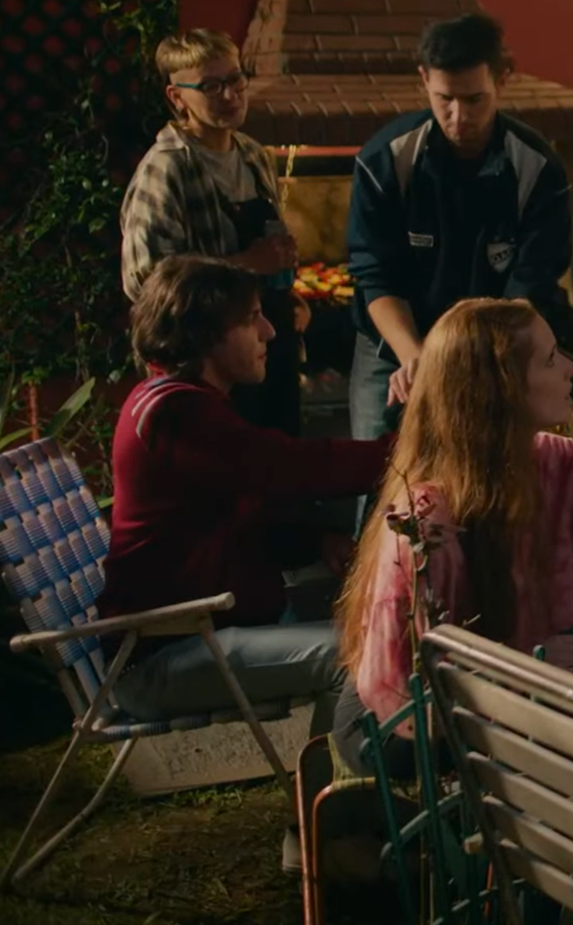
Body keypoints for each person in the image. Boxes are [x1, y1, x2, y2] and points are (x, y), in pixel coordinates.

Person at [98, 256, 389, 869]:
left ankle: (338, 821)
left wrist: (314, 542)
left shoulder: (186, 404)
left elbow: (238, 509)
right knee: (356, 657)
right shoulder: (176, 412)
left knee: (376, 619)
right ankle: (334, 834)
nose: (270, 332)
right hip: (161, 654)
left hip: (204, 625)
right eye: (252, 318)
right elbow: (286, 468)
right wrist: (408, 450)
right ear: (205, 331)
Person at [332, 298, 573, 771]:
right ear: (501, 387)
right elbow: (404, 694)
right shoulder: (425, 517)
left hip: (504, 675)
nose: (571, 368)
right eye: (549, 359)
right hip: (395, 729)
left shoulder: (549, 460)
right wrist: (521, 669)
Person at [345, 13, 573, 442]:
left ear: (501, 80)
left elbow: (529, 289)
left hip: (495, 347)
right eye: (445, 99)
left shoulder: (538, 169)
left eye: (474, 99)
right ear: (424, 79)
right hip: (398, 347)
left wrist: (473, 366)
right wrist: (416, 358)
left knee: (497, 463)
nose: (458, 116)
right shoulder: (385, 160)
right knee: (378, 468)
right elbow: (375, 276)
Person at [120, 29, 306, 436]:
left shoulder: (253, 154)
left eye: (236, 80)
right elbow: (145, 281)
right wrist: (245, 265)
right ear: (177, 97)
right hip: (205, 369)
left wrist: (287, 294)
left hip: (264, 344)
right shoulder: (166, 169)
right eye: (210, 86)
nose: (230, 95)